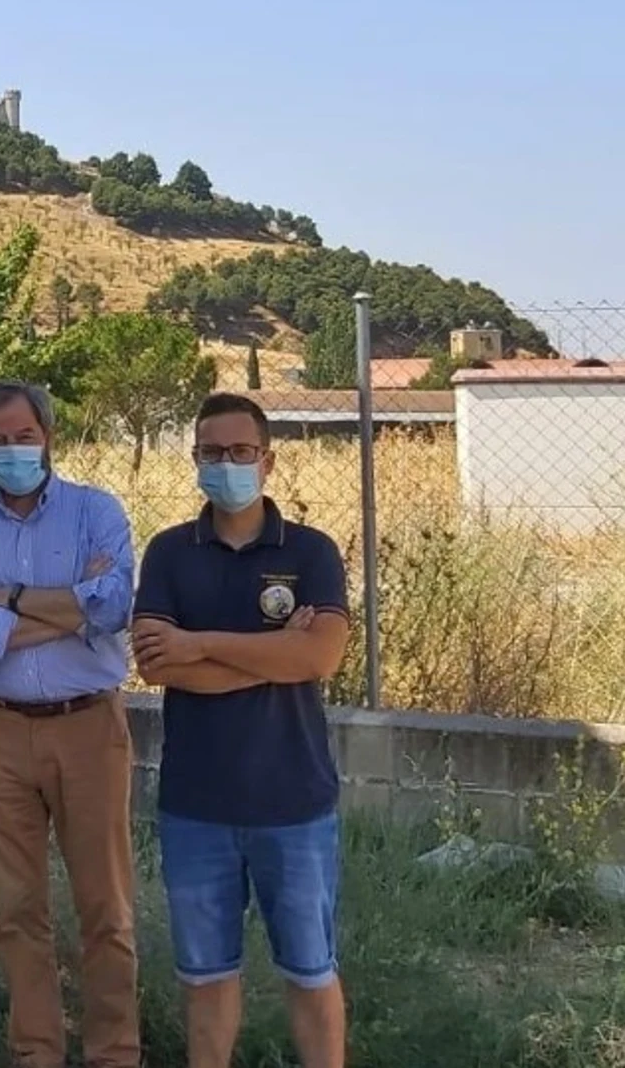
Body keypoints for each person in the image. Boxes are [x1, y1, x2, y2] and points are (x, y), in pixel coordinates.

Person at [131, 392, 351, 1068]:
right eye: (212, 452)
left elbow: (318, 656)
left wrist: (200, 644)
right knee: (205, 979)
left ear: (269, 460)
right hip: (196, 808)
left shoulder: (311, 551)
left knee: (311, 974)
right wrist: (269, 654)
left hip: (295, 805)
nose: (226, 463)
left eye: (240, 451)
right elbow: (158, 664)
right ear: (194, 458)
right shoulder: (169, 552)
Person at [0, 381, 140, 1068]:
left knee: (104, 905)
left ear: (49, 436)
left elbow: (113, 608)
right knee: (18, 908)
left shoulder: (95, 511)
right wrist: (68, 607)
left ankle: (113, 1052)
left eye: (24, 436)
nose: (12, 449)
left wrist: (12, 598)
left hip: (88, 726)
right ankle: (36, 1051)